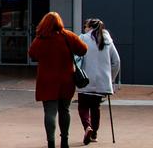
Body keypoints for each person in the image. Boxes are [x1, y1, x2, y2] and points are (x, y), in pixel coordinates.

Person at [29, 12, 88, 148]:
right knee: (65, 110)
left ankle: (51, 142)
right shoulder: (68, 36)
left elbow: (32, 54)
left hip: (47, 81)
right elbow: (83, 50)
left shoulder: (41, 38)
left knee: (50, 112)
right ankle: (65, 141)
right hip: (66, 80)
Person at [77, 18, 120, 144]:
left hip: (85, 80)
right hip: (102, 82)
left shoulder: (83, 38)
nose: (84, 29)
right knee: (95, 107)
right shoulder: (108, 41)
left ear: (90, 27)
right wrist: (110, 79)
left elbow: (76, 57)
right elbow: (116, 62)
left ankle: (87, 127)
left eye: (86, 26)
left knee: (83, 106)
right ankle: (94, 134)